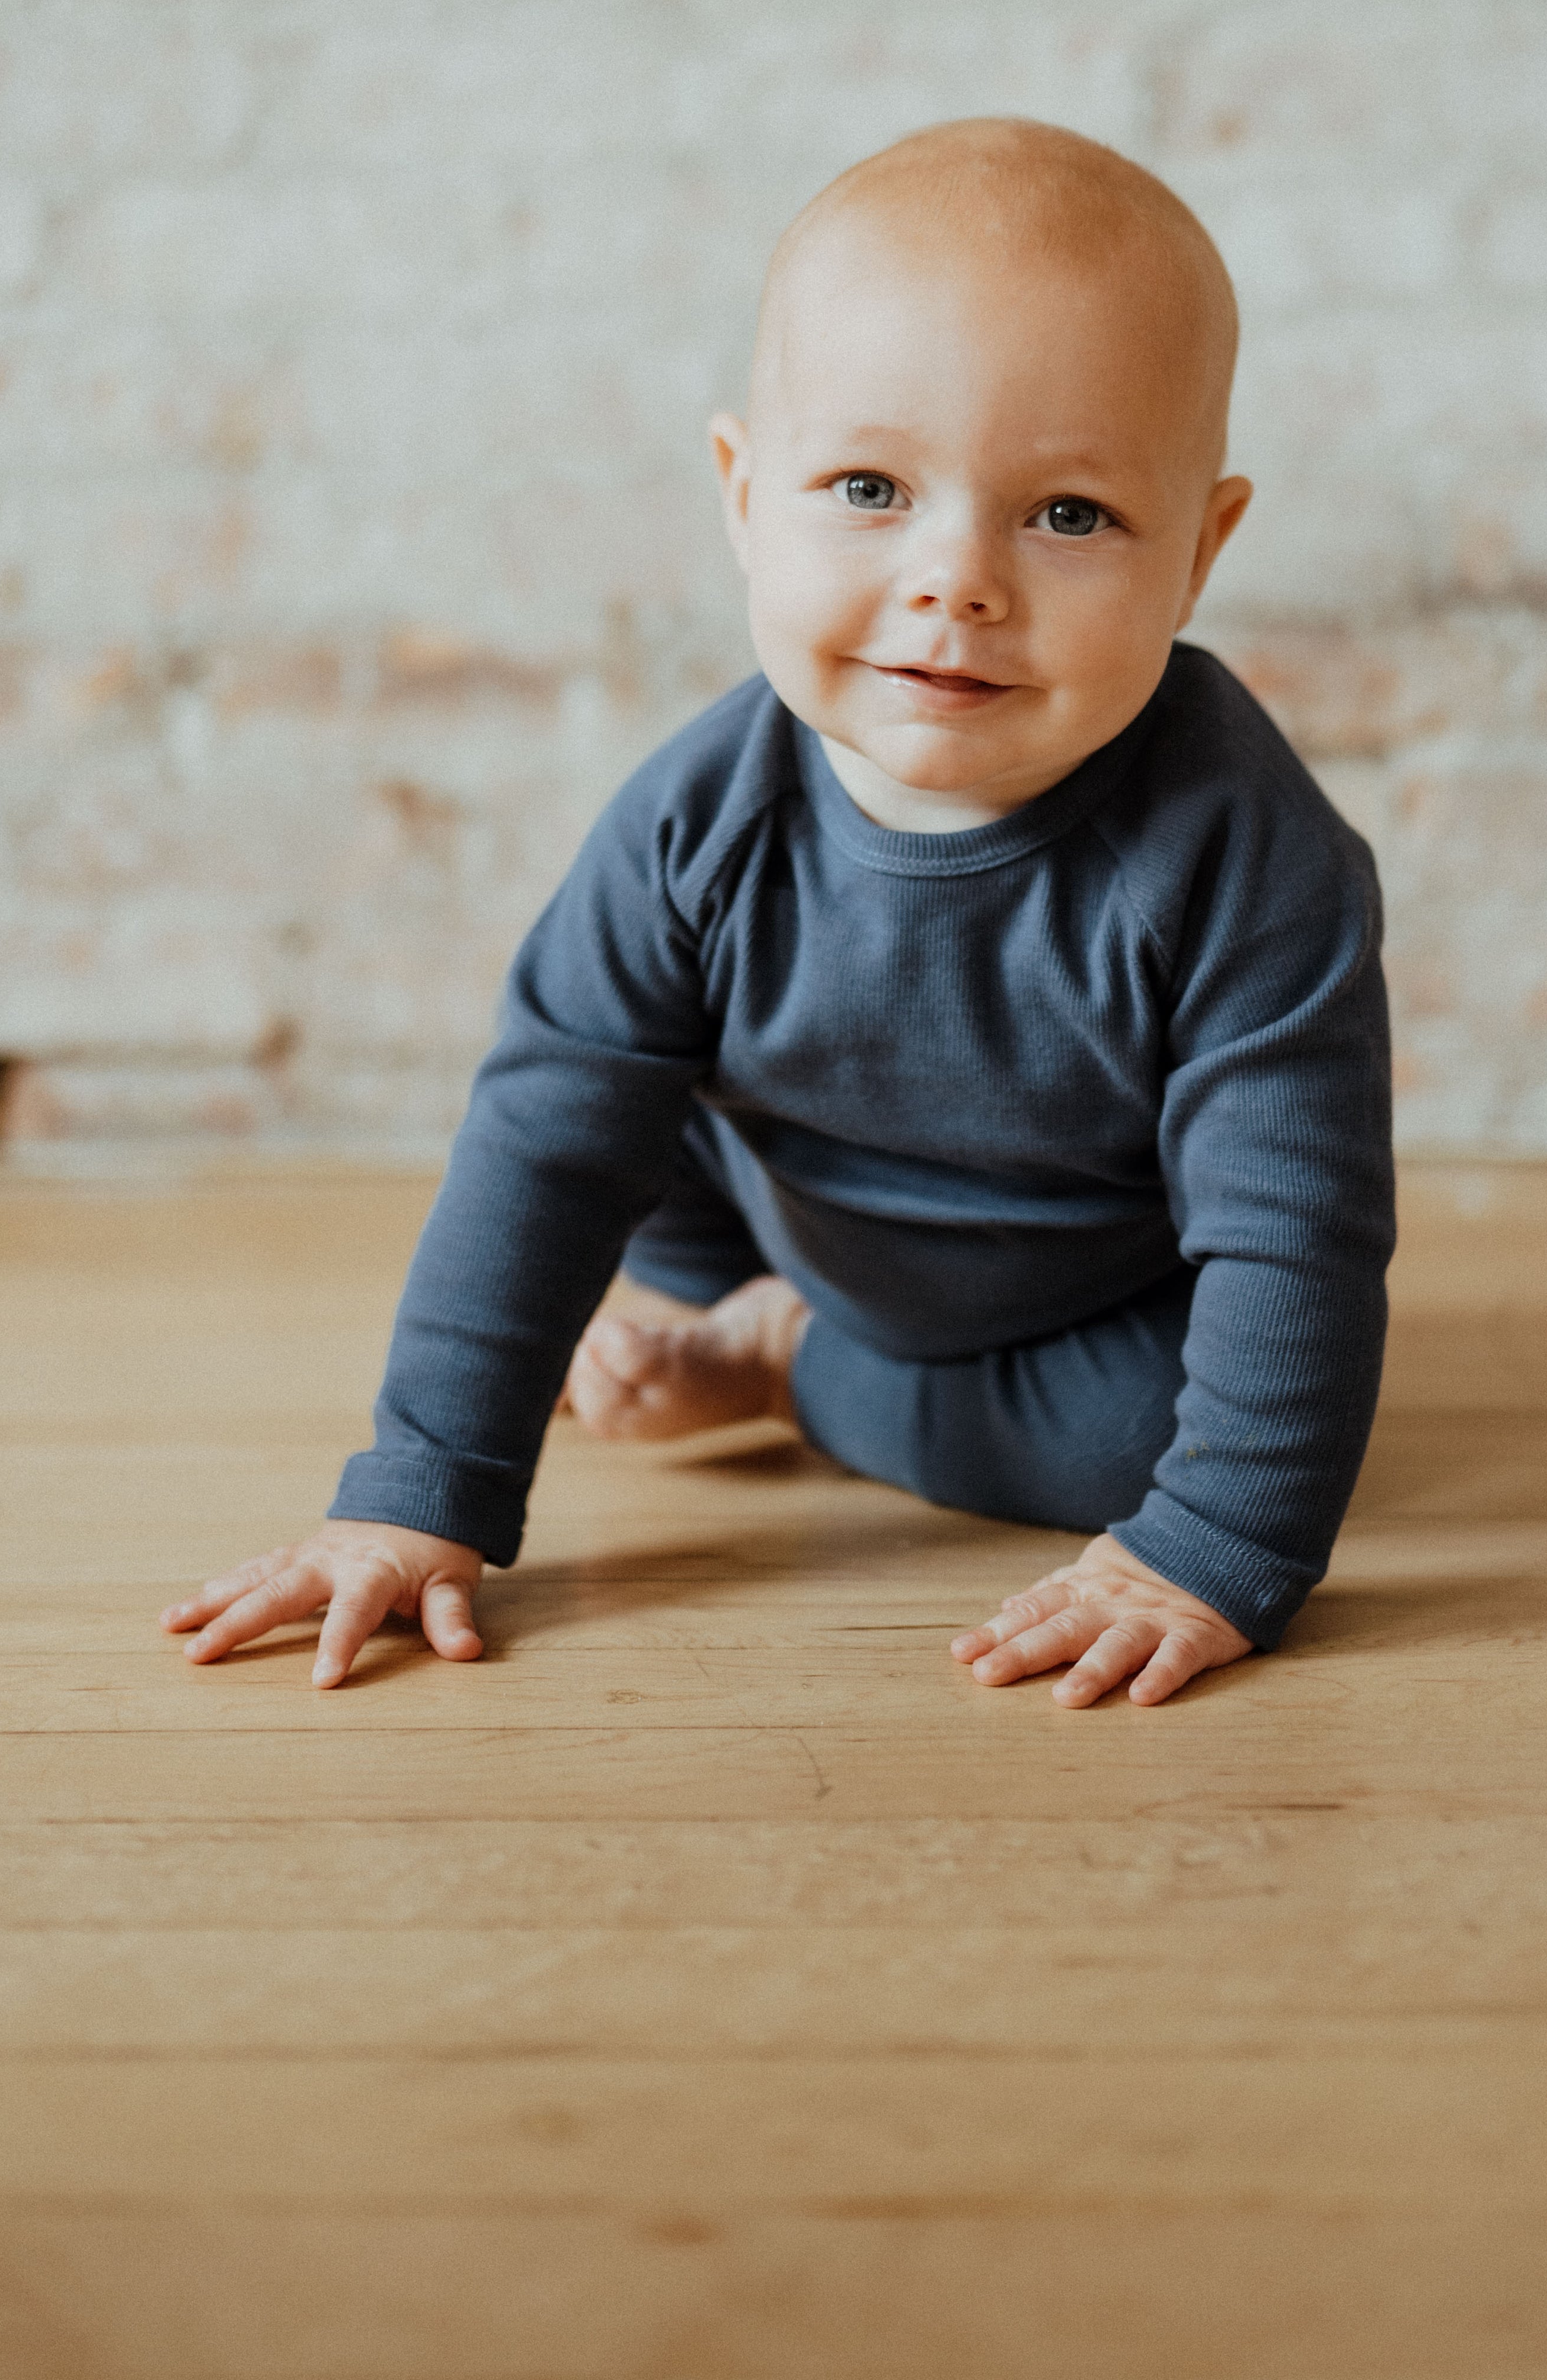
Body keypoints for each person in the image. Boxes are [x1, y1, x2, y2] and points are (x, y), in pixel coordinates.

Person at [162, 118, 1393, 1709]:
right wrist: (419, 1487)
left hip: (1078, 1288)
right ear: (746, 498)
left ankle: (791, 1364)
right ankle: (720, 1298)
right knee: (614, 1112)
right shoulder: (698, 821)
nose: (957, 579)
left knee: (1149, 1441)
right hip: (772, 1192)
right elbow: (544, 1139)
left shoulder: (1244, 855)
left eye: (1071, 515)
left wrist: (1212, 1548)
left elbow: (1291, 1232)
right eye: (870, 488)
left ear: (1201, 553)